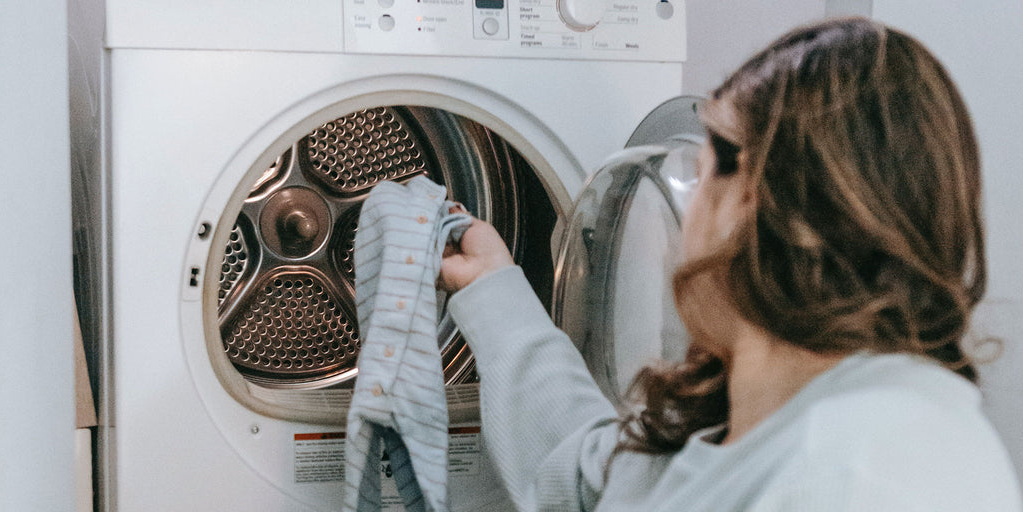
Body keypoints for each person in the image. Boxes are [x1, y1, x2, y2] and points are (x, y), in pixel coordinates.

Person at [438, 17, 1022, 512]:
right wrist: (492, 288)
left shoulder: (858, 473)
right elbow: (590, 477)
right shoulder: (759, 421)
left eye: (703, 162)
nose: (684, 203)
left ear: (757, 200)